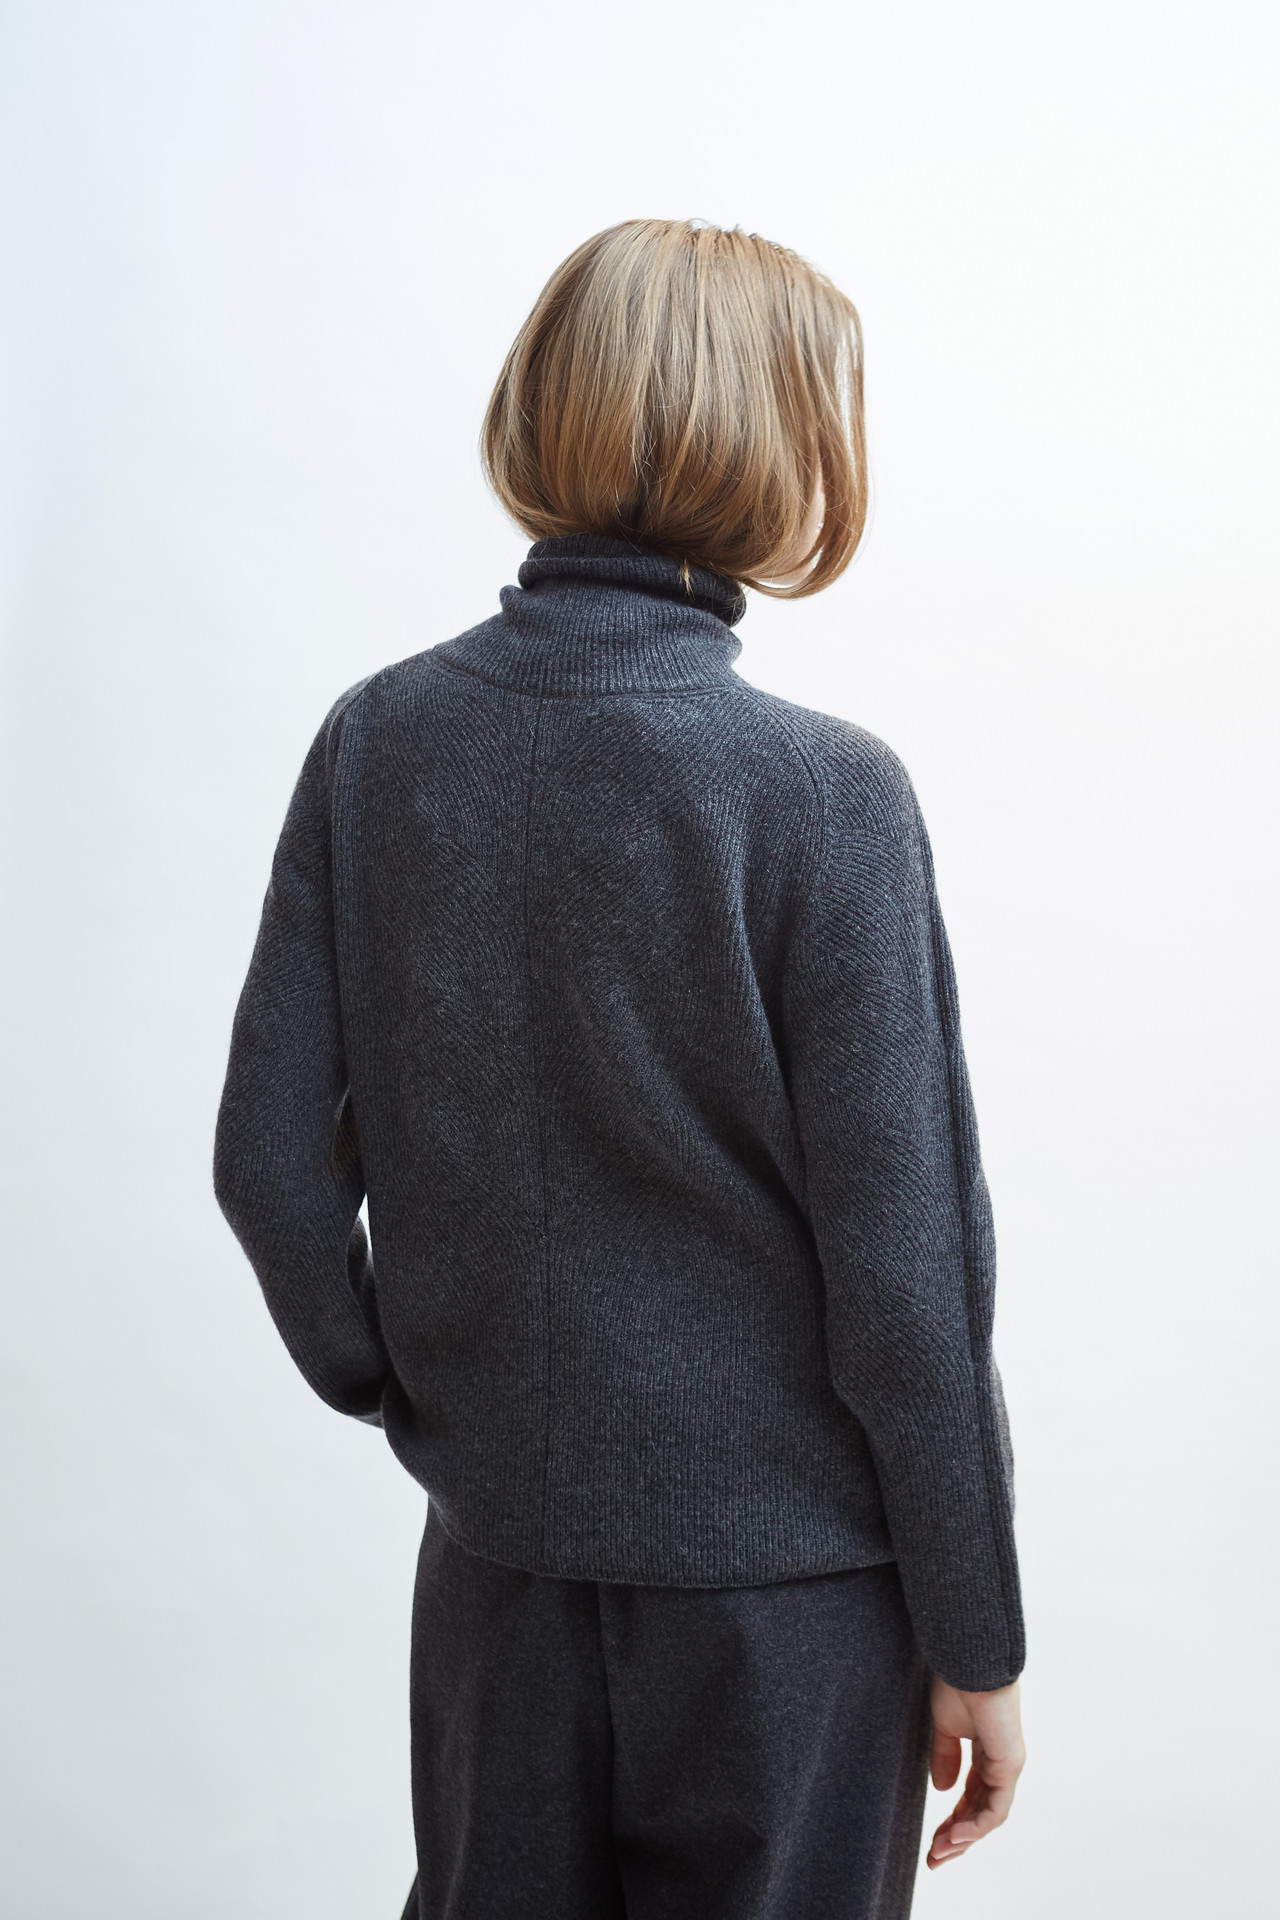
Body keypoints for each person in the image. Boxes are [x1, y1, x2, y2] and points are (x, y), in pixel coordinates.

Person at [213, 217, 1026, 1919]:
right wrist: (977, 1634)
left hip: (496, 1562)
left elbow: (271, 1165)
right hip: (790, 1605)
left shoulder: (378, 741)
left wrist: (411, 1393)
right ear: (789, 449)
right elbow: (907, 1280)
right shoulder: (823, 794)